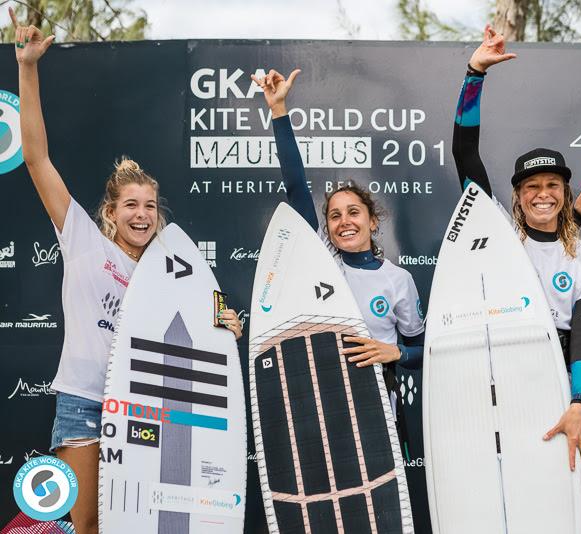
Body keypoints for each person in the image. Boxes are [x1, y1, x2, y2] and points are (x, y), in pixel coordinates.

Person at [12, 12, 243, 533]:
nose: (142, 214)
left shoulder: (172, 272)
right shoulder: (82, 241)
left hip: (149, 408)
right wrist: (28, 70)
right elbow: (36, 159)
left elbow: (215, 322)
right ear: (111, 212)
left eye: (151, 205)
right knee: (86, 524)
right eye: (131, 205)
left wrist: (229, 330)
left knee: (139, 524)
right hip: (85, 403)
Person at [453, 25, 581, 471]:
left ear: (563, 192)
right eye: (531, 186)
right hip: (496, 378)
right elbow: (465, 155)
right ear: (518, 195)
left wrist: (580, 402)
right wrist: (475, 74)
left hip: (559, 378)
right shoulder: (497, 236)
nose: (542, 194)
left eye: (552, 185)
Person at [250, 67, 425, 378]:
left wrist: (396, 352)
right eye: (335, 215)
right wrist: (278, 109)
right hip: (324, 398)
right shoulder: (324, 262)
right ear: (327, 227)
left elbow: (423, 352)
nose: (344, 221)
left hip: (379, 403)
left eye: (354, 212)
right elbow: (296, 186)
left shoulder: (398, 280)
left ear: (373, 222)